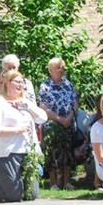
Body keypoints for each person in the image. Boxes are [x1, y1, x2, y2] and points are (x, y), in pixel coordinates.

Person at [0, 70, 48, 202]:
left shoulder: (25, 102)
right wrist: (16, 130)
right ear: (7, 83)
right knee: (14, 196)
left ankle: (9, 187)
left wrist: (25, 106)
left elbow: (42, 118)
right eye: (17, 81)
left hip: (28, 151)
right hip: (7, 152)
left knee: (31, 194)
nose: (21, 85)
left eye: (22, 82)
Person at [38, 57, 79, 191]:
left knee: (67, 151)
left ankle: (66, 181)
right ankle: (53, 182)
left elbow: (75, 102)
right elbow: (42, 106)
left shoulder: (68, 84)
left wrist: (69, 117)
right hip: (52, 123)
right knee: (52, 152)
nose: (62, 70)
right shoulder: (45, 86)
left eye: (63, 67)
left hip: (68, 121)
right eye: (58, 67)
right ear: (51, 71)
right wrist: (59, 119)